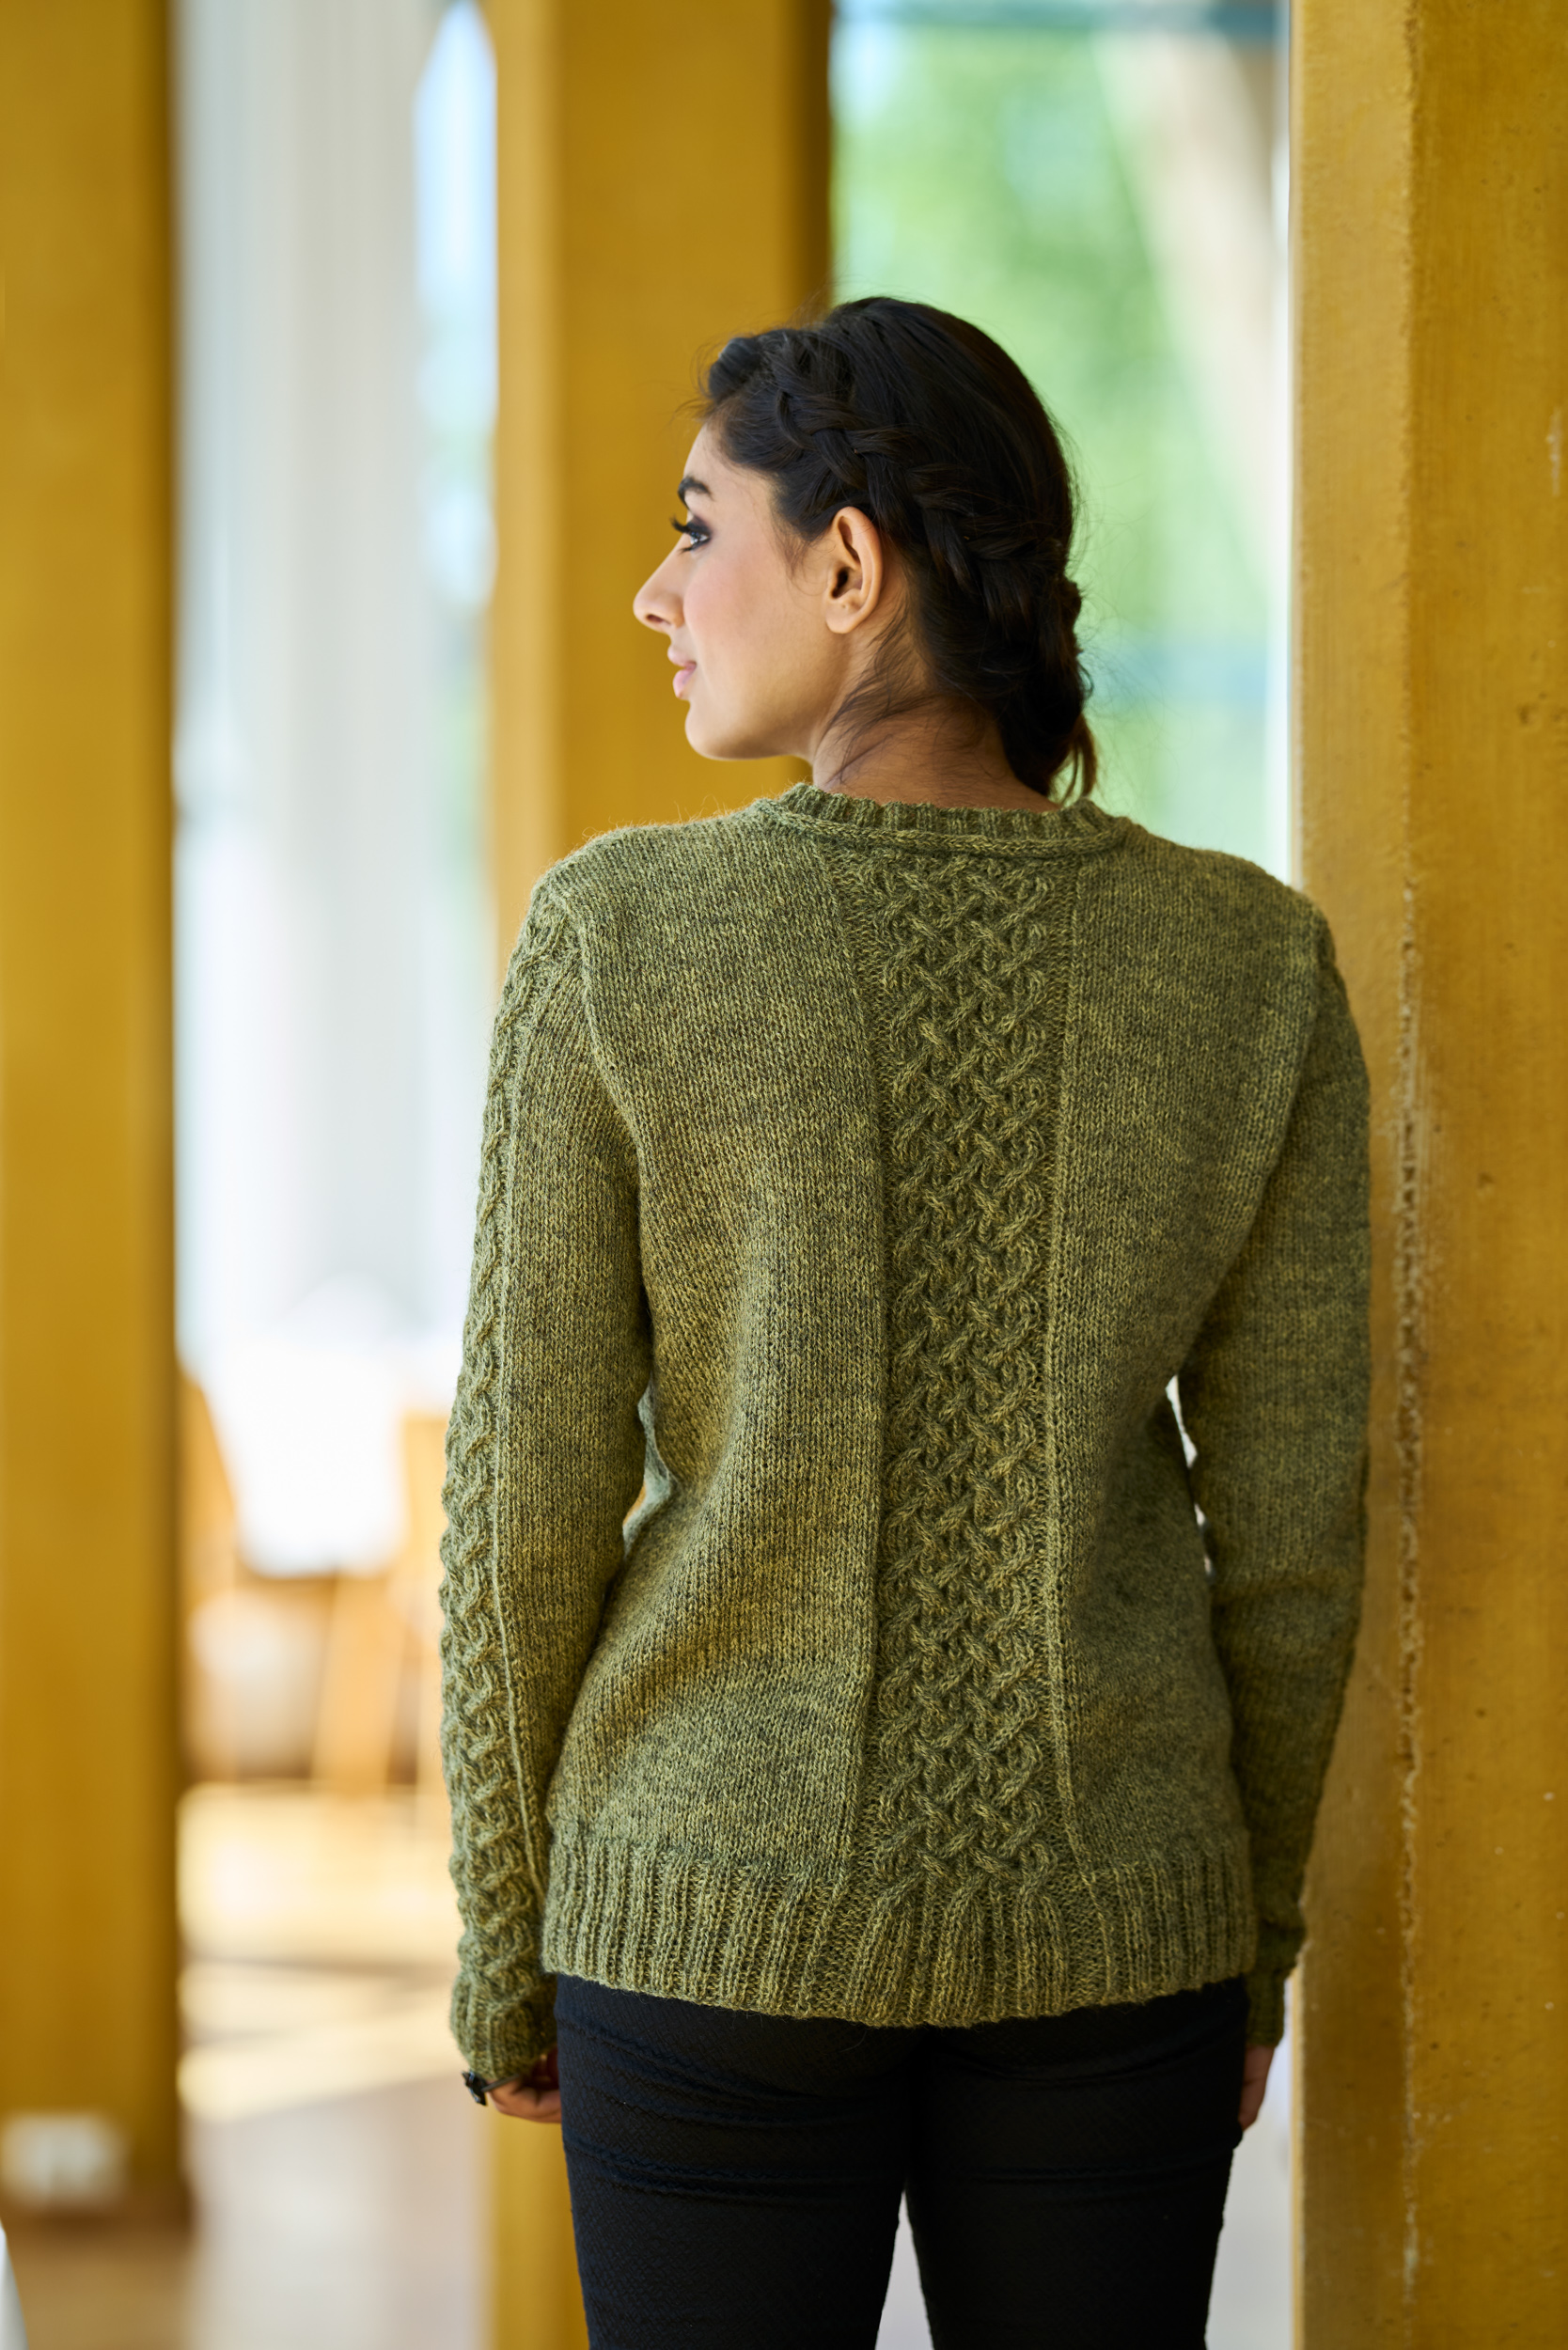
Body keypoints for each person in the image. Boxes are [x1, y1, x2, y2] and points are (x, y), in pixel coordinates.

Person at [440, 297, 1370, 2348]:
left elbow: (527, 1503)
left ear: (850, 565)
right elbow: (1296, 1540)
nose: (656, 592)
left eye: (700, 528)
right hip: (1121, 1932)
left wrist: (510, 1939)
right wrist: (1250, 1938)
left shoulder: (616, 938)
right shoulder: (1252, 964)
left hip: (699, 1923)